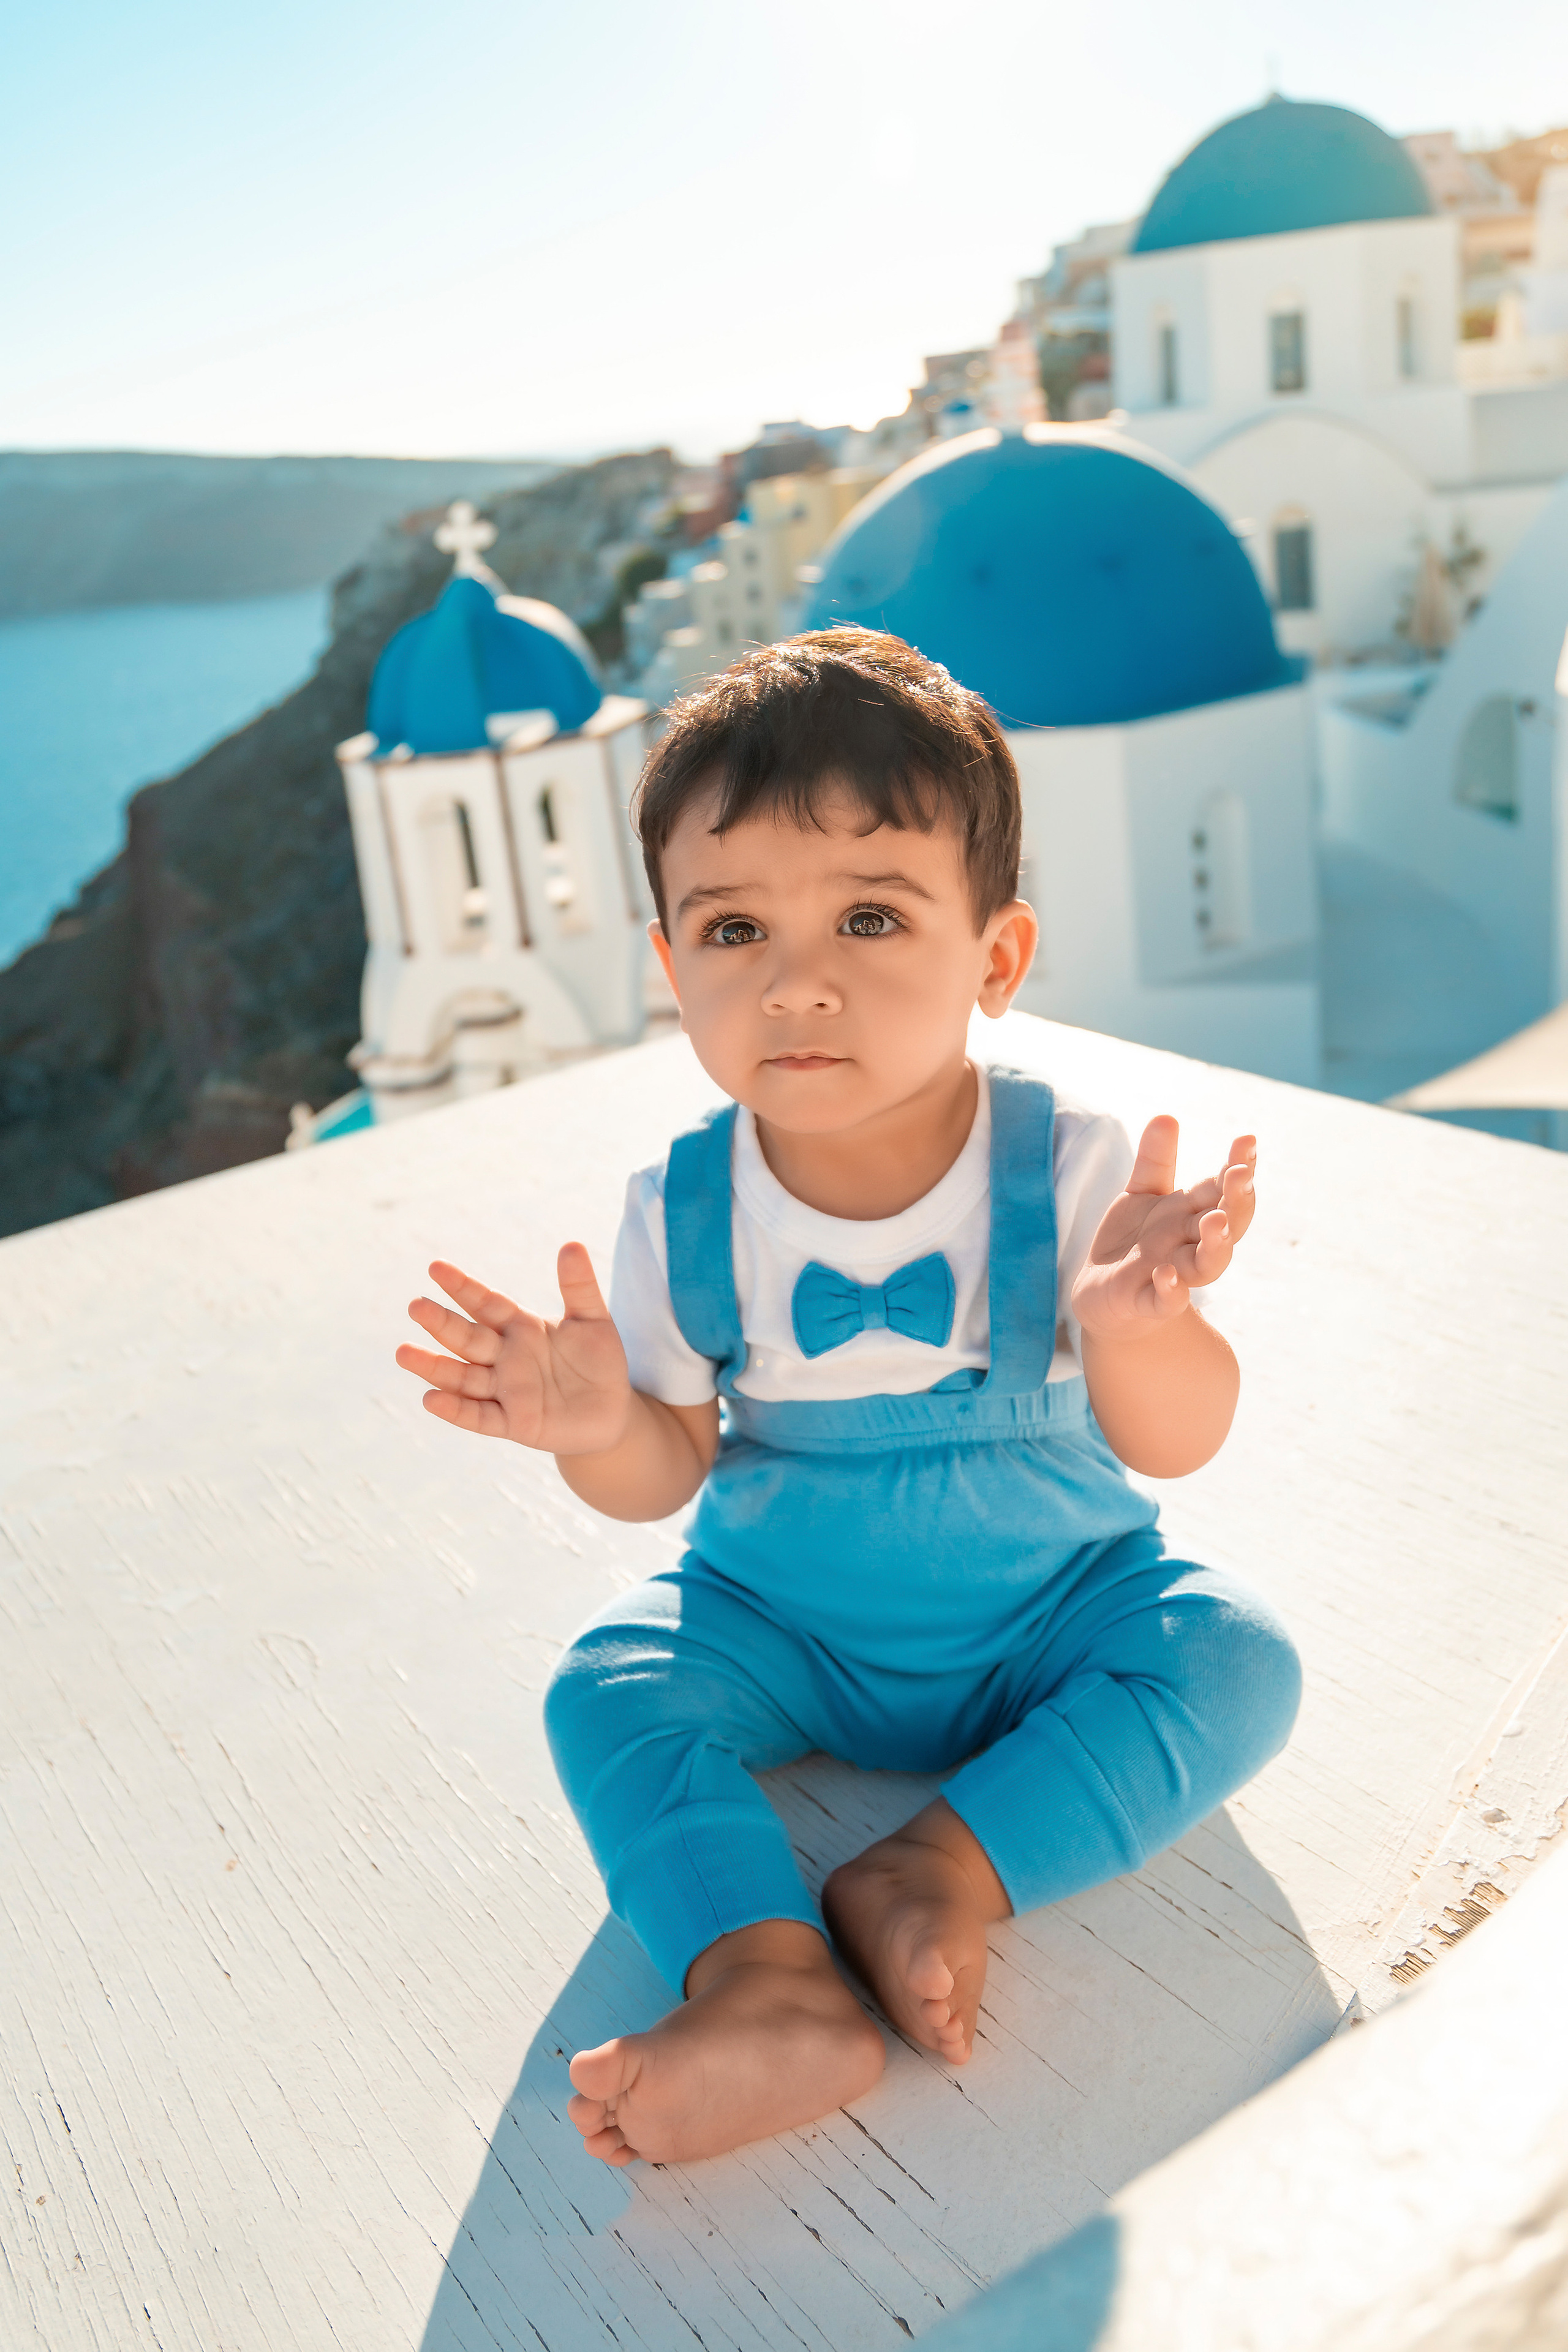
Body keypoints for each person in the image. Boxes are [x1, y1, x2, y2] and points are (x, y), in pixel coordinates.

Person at [394, 628, 1302, 2169]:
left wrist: (1139, 1324)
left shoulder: (1074, 1168)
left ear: (994, 960)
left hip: (1055, 1607)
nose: (799, 982)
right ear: (671, 970)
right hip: (784, 1626)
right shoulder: (683, 1205)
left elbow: (1175, 1444)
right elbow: (663, 1477)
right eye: (734, 930)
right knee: (606, 1687)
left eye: (870, 916)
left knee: (1235, 1659)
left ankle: (934, 1870)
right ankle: (765, 1978)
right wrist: (599, 1422)